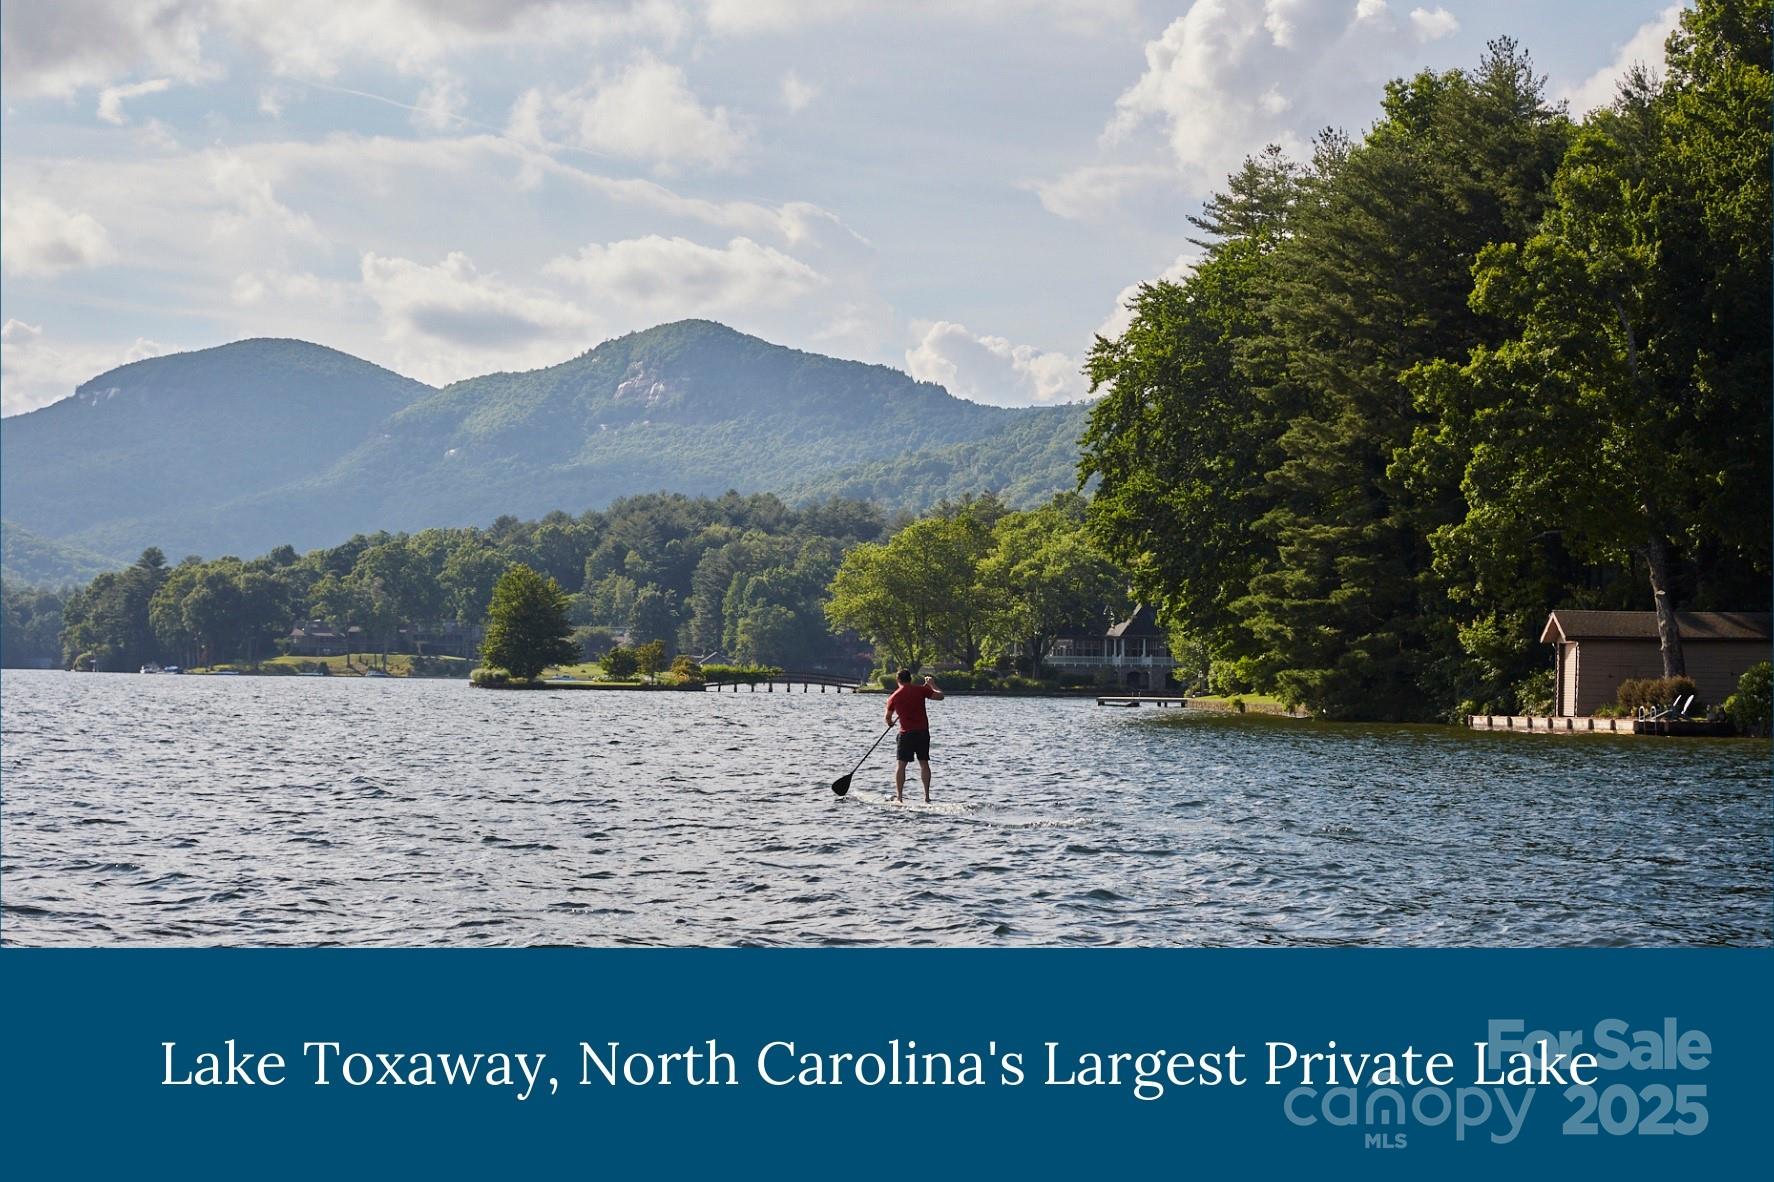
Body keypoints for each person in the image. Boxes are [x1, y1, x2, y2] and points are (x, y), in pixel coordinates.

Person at [884, 667, 943, 802]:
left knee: (901, 765)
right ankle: (927, 797)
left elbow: (888, 718)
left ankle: (899, 798)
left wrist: (890, 723)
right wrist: (932, 684)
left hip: (906, 734)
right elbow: (940, 696)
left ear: (898, 680)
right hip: (923, 732)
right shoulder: (920, 690)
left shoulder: (894, 697)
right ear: (910, 679)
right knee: (924, 764)